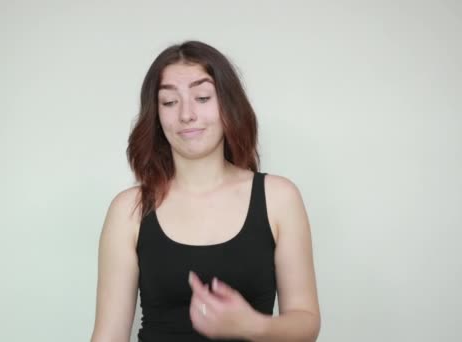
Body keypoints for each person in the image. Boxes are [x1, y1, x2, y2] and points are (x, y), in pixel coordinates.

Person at [90, 40, 321, 342]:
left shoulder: (279, 198)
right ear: (156, 116)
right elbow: (108, 336)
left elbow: (307, 324)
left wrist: (252, 325)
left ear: (229, 104)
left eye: (202, 97)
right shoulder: (129, 209)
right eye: (170, 102)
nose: (186, 115)